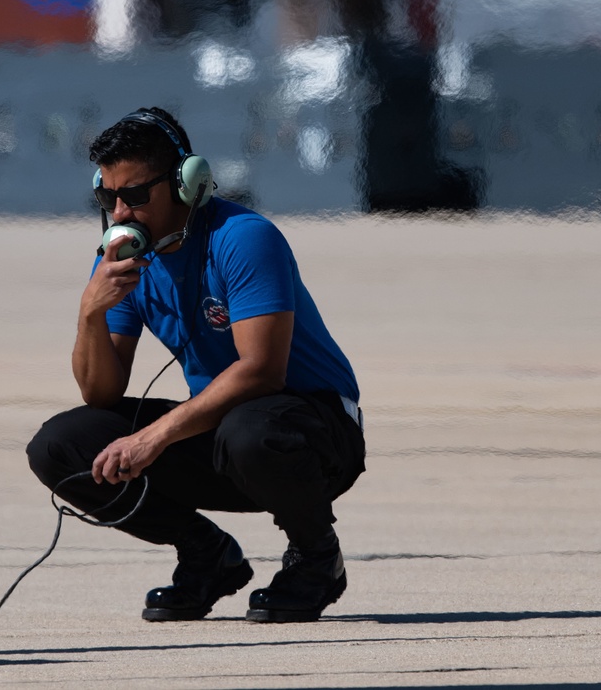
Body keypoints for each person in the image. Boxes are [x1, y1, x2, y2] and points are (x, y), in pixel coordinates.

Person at [27, 106, 365, 623]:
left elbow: (261, 372)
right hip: (226, 429)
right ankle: (208, 556)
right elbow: (100, 393)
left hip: (313, 431)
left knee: (250, 430)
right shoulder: (120, 254)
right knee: (60, 445)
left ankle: (317, 557)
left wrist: (154, 437)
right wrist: (90, 312)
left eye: (136, 195)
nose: (120, 213)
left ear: (188, 184)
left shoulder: (244, 237)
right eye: (107, 196)